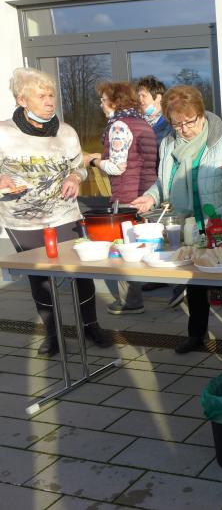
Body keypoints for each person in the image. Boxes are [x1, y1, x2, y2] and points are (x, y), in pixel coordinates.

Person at [130, 85, 222, 357]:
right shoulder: (169, 144)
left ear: (201, 114)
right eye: (177, 124)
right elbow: (163, 182)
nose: (184, 129)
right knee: (193, 282)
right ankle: (196, 335)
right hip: (189, 225)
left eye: (189, 122)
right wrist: (150, 197)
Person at [0, 67, 112, 355]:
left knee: (81, 272)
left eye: (51, 95)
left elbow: (79, 167)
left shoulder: (66, 132)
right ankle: (53, 334)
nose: (50, 101)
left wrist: (75, 177)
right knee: (40, 278)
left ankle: (91, 326)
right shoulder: (3, 133)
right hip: (23, 221)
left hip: (65, 215)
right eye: (42, 96)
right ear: (22, 100)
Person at [84, 81, 158, 316]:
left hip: (127, 196)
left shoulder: (119, 126)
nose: (101, 104)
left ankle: (130, 302)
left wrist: (93, 161)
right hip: (147, 193)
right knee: (146, 246)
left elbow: (117, 167)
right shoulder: (142, 122)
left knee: (127, 250)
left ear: (115, 102)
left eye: (103, 100)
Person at [135, 75, 184, 307]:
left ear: (158, 97)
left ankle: (180, 284)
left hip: (169, 185)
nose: (140, 100)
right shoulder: (143, 122)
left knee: (176, 235)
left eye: (143, 96)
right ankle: (162, 277)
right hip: (153, 185)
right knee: (160, 234)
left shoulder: (168, 125)